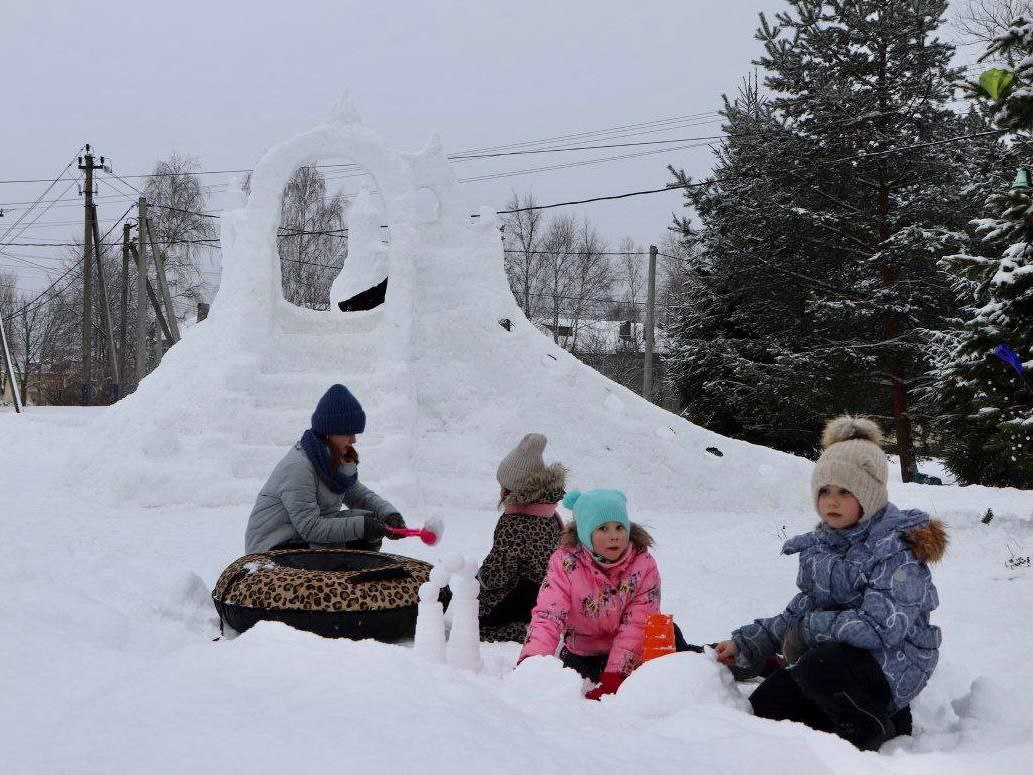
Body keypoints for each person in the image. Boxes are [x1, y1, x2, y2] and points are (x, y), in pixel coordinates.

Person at [713, 416, 948, 751]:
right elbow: (801, 608)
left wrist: (811, 629)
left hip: (894, 663)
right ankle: (843, 721)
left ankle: (879, 724)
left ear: (869, 495)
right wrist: (748, 643)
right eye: (824, 491)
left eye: (844, 492)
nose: (832, 502)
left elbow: (882, 628)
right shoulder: (825, 544)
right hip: (839, 665)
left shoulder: (896, 549)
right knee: (767, 704)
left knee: (820, 665)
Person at [518, 488, 661, 700]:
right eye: (603, 528)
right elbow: (549, 615)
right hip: (582, 652)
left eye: (619, 527)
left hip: (629, 652)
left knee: (667, 643)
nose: (614, 536)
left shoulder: (643, 566)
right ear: (586, 533)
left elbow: (637, 625)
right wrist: (531, 663)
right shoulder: (565, 564)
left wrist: (615, 677)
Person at [244, 384, 406, 554]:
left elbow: (360, 496)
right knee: (363, 528)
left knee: (369, 525)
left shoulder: (332, 461)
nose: (353, 440)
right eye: (348, 433)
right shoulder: (299, 467)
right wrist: (363, 527)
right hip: (273, 550)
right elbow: (310, 527)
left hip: (300, 540)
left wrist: (389, 515)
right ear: (329, 432)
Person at [478, 433, 566, 642]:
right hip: (546, 592)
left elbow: (498, 571)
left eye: (503, 485)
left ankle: (517, 632)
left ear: (513, 489)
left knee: (473, 623)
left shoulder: (516, 522)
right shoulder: (549, 513)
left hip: (523, 595)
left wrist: (479, 578)